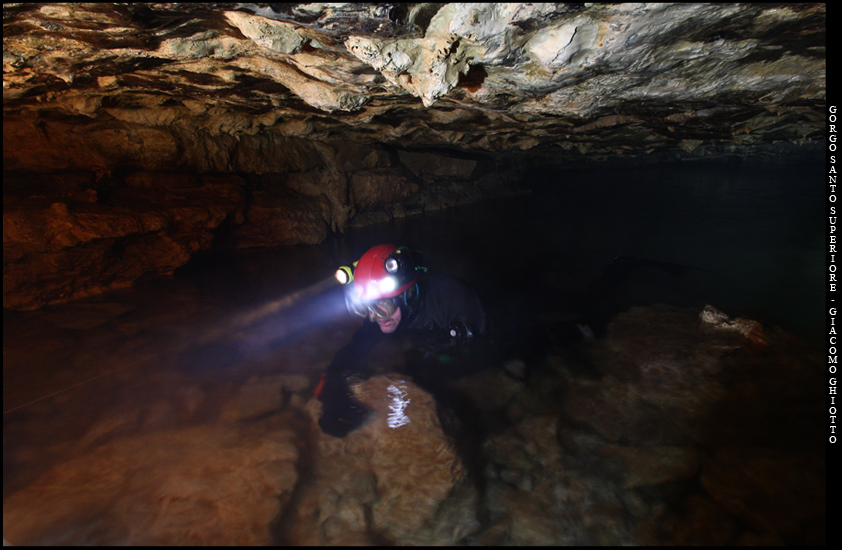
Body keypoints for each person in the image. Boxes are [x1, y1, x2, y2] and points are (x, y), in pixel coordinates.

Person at [315, 244, 489, 437]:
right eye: (366, 307)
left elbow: (480, 355)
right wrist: (332, 394)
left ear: (408, 295)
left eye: (382, 306)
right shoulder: (383, 315)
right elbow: (353, 351)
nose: (374, 316)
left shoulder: (452, 297)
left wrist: (426, 367)